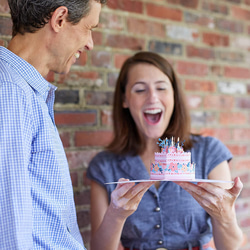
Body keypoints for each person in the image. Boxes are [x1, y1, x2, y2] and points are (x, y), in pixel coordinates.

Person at [87, 51, 244, 250]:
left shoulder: (209, 152)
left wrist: (225, 215)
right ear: (124, 100)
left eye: (161, 88)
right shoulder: (104, 166)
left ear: (174, 97)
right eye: (140, 89)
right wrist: (115, 216)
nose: (152, 98)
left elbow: (231, 248)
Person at [0, 0, 108, 249]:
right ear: (59, 19)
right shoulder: (11, 93)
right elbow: (9, 226)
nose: (90, 43)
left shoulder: (26, 93)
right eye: (88, 27)